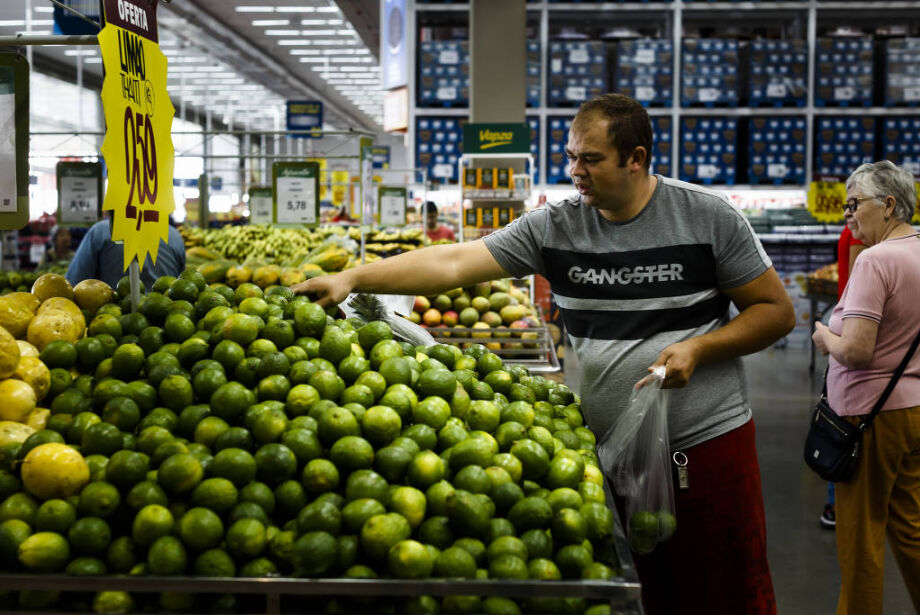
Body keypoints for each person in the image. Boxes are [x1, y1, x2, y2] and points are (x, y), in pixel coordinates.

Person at [293, 93, 794, 614]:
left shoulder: (706, 217)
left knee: (726, 587)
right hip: (614, 451)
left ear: (636, 158)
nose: (576, 171)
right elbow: (454, 264)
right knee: (644, 589)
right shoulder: (556, 226)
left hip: (705, 446)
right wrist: (351, 277)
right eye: (572, 156)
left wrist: (700, 346)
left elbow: (775, 312)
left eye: (591, 159)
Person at [812, 160, 920, 615]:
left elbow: (855, 351)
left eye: (854, 204)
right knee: (911, 529)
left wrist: (822, 334)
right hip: (912, 410)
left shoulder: (876, 261)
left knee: (860, 545)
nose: (847, 214)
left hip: (868, 417)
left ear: (889, 204)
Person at [821, 225, 867, 530]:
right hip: (853, 329)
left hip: (844, 326)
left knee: (841, 420)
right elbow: (859, 288)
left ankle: (836, 503)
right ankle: (838, 505)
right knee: (850, 425)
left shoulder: (853, 229)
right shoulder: (861, 233)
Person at [66, 217, 186, 291]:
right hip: (164, 324)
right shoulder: (174, 235)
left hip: (109, 323)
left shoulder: (101, 231)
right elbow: (182, 286)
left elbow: (74, 283)